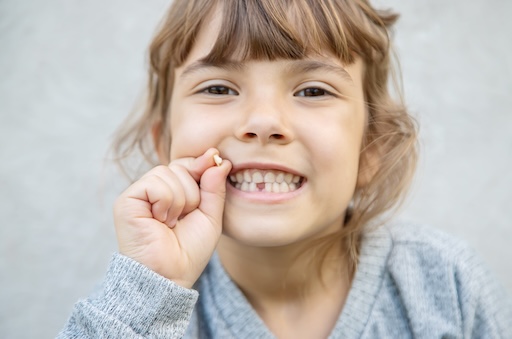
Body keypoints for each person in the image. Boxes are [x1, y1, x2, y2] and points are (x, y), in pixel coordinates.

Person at [59, 0, 512, 338]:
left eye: (313, 91)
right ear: (166, 144)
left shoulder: (446, 288)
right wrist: (150, 289)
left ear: (370, 147)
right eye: (218, 87)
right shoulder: (141, 308)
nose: (263, 123)